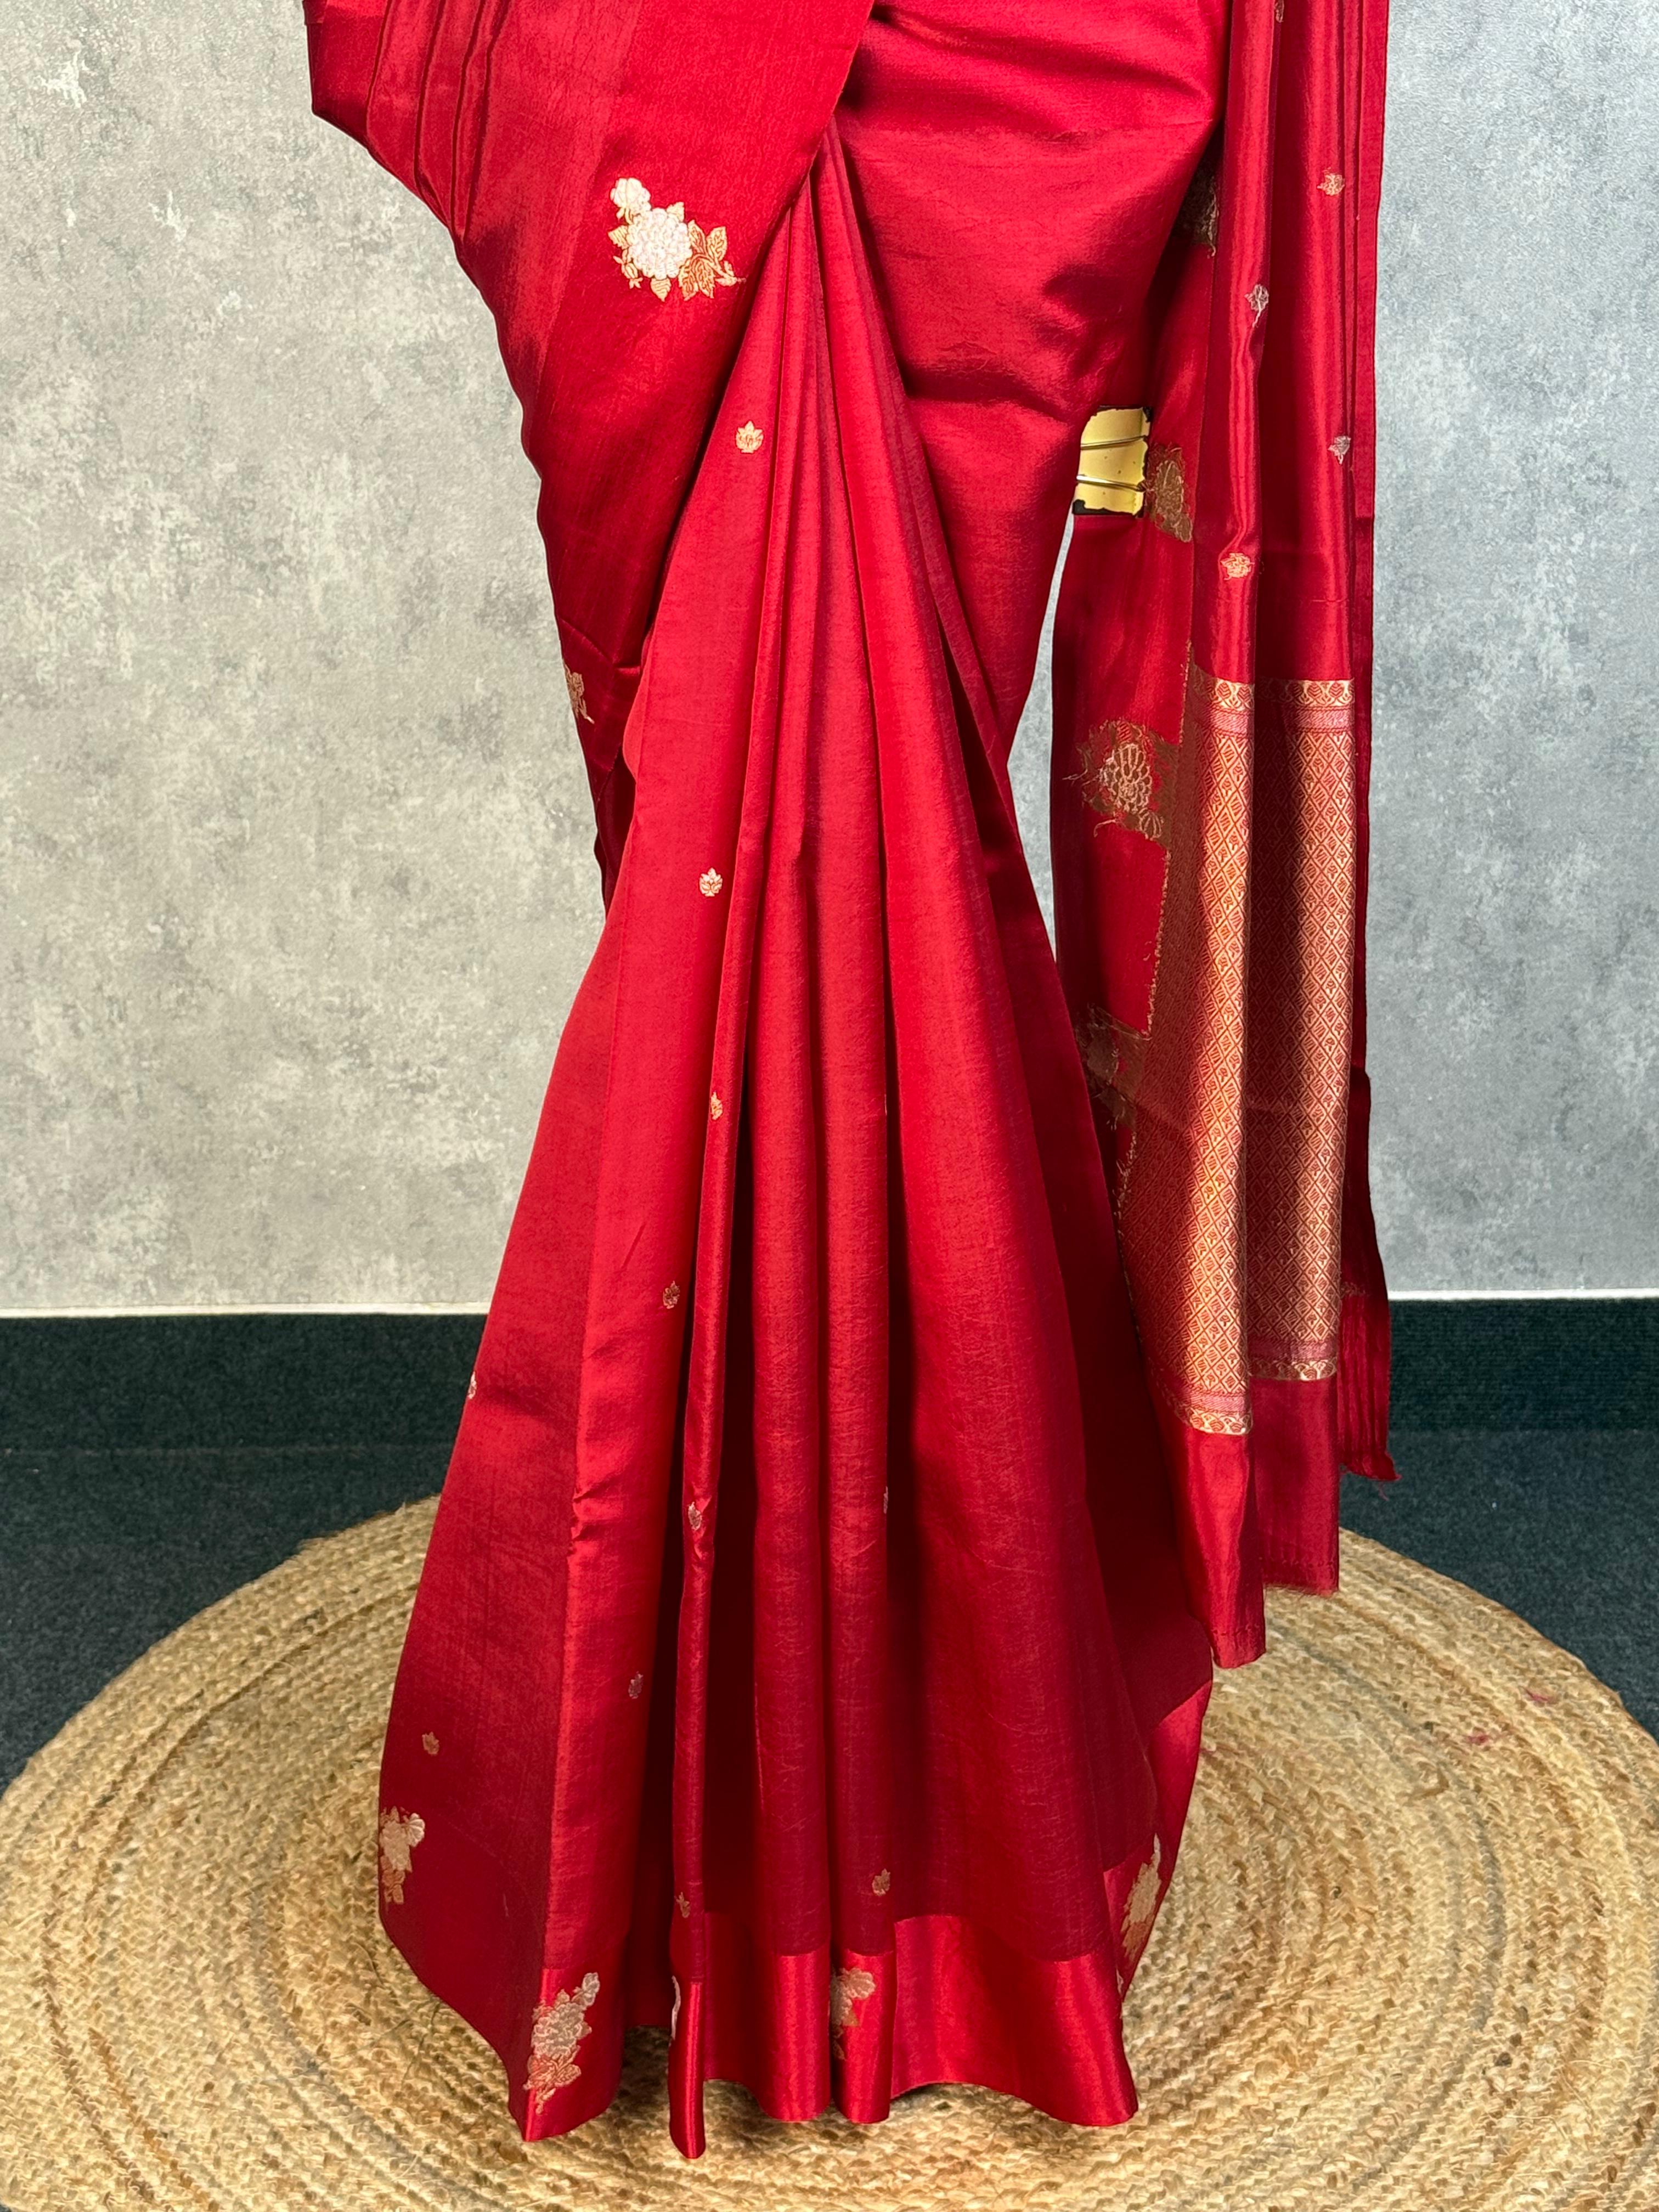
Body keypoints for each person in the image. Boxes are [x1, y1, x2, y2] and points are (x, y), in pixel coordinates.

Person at [301, 0, 1393, 2159]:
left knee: (888, 853)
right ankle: (799, 1839)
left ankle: (885, 1843)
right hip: (681, 72)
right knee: (761, 857)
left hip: (1027, 96)